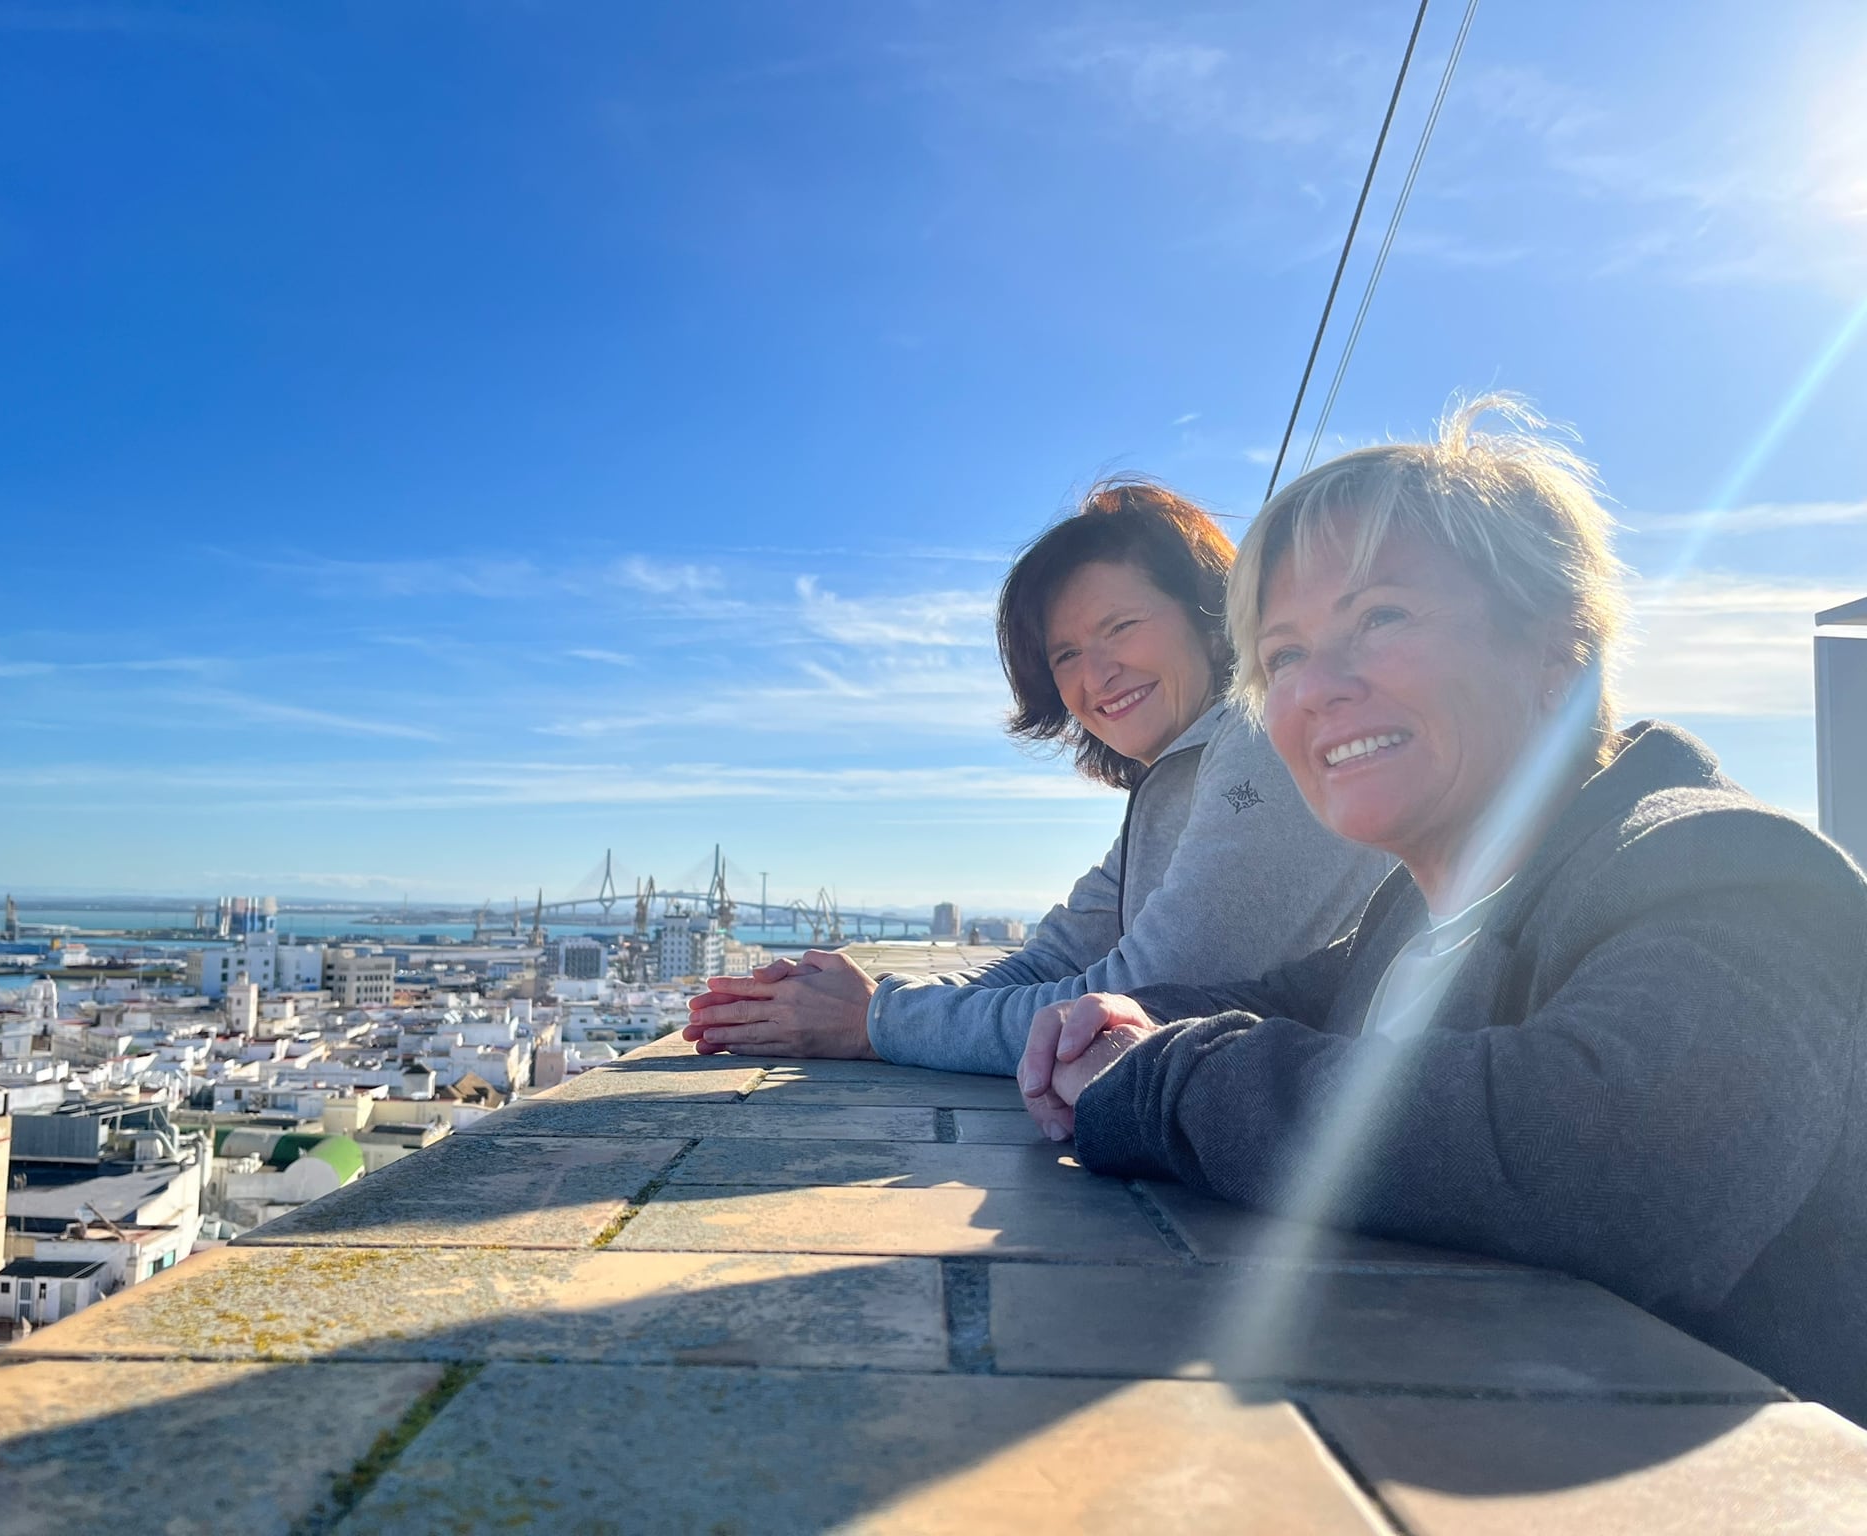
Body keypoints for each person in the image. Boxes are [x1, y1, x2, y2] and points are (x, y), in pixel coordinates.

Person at [1022, 396, 1867, 1421]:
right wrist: (1115, 1023)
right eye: (1280, 657)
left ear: (1556, 649)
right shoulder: (1410, 917)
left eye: (1378, 618)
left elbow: (1606, 1163)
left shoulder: (1734, 869)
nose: (1316, 689)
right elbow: (1284, 998)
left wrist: (1161, 1078)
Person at [684, 478, 1392, 1071]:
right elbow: (1049, 960)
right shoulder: (1177, 780)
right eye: (1065, 656)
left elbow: (1132, 999)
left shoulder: (1262, 737)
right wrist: (865, 1001)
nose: (1096, 674)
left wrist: (875, 1020)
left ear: (1211, 617)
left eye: (1119, 627)